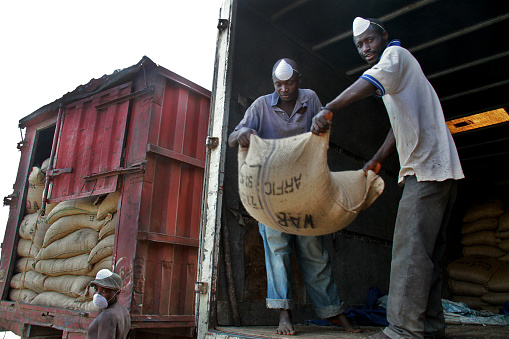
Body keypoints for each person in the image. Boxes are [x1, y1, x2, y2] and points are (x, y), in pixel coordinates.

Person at [311, 17, 464, 339]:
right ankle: (431, 327)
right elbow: (399, 125)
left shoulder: (395, 57)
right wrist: (379, 159)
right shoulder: (400, 74)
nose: (365, 48)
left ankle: (402, 330)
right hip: (440, 170)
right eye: (360, 45)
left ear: (384, 36)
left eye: (369, 40)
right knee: (428, 254)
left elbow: (369, 81)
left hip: (427, 171)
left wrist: (330, 108)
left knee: (409, 250)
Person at [228, 58, 361, 335]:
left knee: (315, 253)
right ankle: (283, 314)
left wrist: (322, 122)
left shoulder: (310, 99)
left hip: (305, 190)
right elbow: (232, 137)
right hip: (272, 194)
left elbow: (323, 122)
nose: (284, 88)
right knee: (277, 251)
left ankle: (333, 311)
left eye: (289, 83)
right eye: (279, 84)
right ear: (273, 83)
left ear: (298, 79)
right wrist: (243, 133)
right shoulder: (261, 106)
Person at [86, 269, 131, 339]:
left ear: (117, 293)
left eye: (104, 291)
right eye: (96, 289)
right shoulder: (125, 312)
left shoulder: (107, 315)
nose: (98, 294)